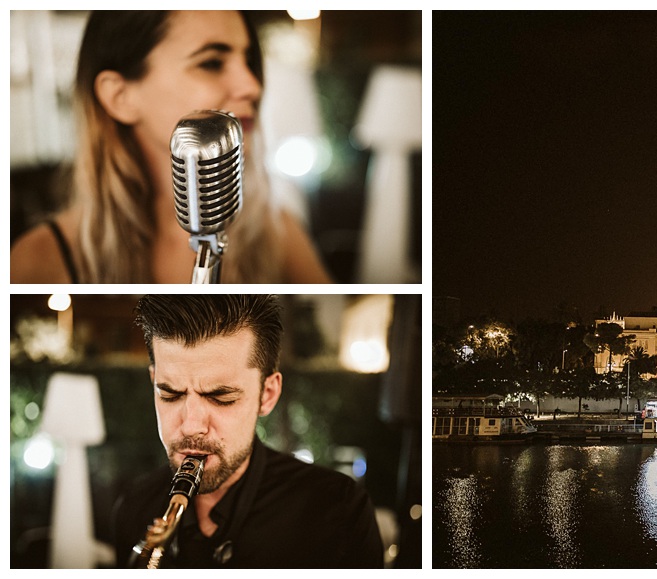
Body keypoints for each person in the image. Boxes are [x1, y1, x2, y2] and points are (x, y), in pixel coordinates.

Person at [11, 11, 331, 283]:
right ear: (119, 97)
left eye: (248, 60)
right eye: (211, 62)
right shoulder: (38, 260)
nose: (252, 85)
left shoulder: (279, 234)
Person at [112, 295, 381, 568]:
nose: (192, 426)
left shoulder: (339, 511)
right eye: (170, 394)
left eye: (221, 397)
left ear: (267, 394)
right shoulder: (133, 508)